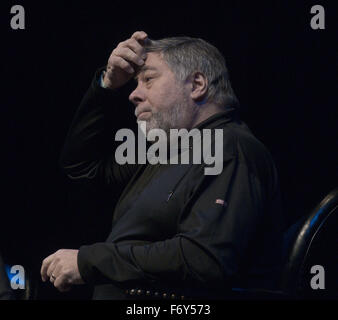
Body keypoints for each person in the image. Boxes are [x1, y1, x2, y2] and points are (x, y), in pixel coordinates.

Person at [40, 31, 284, 299]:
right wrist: (106, 85)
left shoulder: (231, 149)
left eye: (148, 79)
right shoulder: (167, 151)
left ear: (197, 84)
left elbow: (204, 259)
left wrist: (90, 261)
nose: (133, 94)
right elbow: (82, 170)